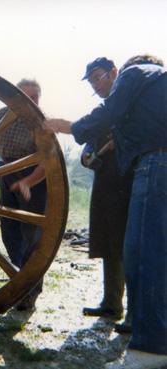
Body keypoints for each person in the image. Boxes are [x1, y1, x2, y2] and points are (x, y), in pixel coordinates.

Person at [46, 54, 167, 369]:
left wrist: (70, 127)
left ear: (119, 71)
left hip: (156, 164)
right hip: (148, 166)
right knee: (142, 250)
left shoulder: (136, 71)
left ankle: (152, 348)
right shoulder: (150, 100)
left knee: (145, 253)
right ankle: (144, 328)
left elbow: (109, 112)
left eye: (101, 77)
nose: (100, 86)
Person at [79, 58, 134, 330]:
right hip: (105, 184)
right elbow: (88, 148)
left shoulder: (130, 106)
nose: (95, 85)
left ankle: (136, 313)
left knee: (130, 245)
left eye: (98, 78)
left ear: (114, 74)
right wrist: (90, 155)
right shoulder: (102, 112)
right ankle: (112, 303)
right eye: (91, 82)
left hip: (129, 183)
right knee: (109, 243)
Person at [0, 78, 47, 311]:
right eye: (24, 96)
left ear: (38, 99)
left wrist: (28, 182)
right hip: (7, 171)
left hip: (35, 178)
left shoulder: (43, 120)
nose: (29, 102)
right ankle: (19, 278)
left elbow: (48, 162)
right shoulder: (3, 113)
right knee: (10, 231)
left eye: (33, 98)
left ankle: (30, 292)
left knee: (33, 236)